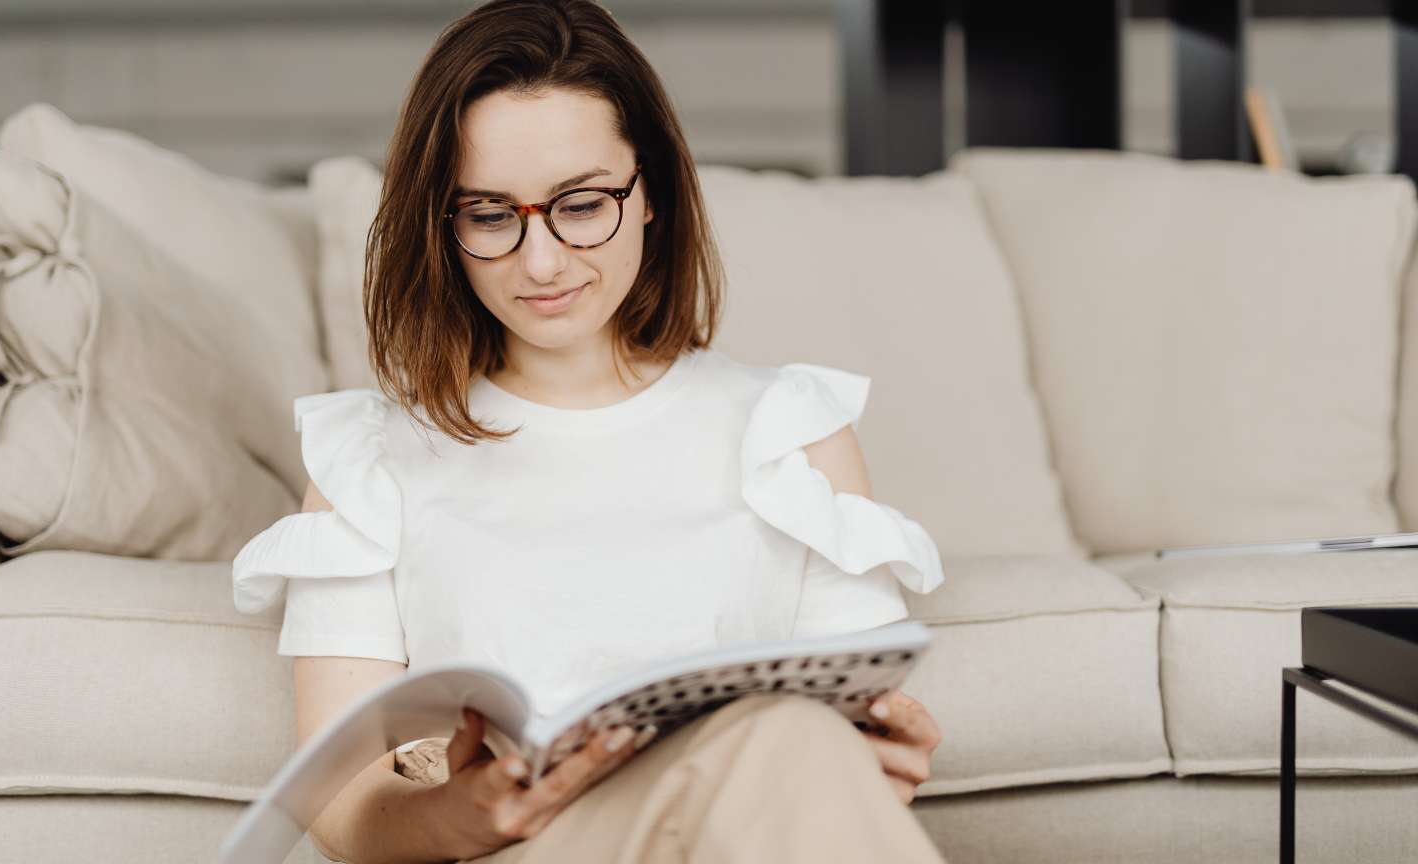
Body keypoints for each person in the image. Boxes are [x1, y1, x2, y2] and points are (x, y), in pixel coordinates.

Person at [232, 1, 949, 861]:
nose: (541, 262)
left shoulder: (789, 433)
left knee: (792, 744)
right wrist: (469, 815)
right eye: (492, 215)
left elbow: (852, 715)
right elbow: (343, 805)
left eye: (580, 204)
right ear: (445, 226)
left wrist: (872, 767)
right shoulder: (369, 461)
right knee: (785, 745)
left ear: (649, 194)